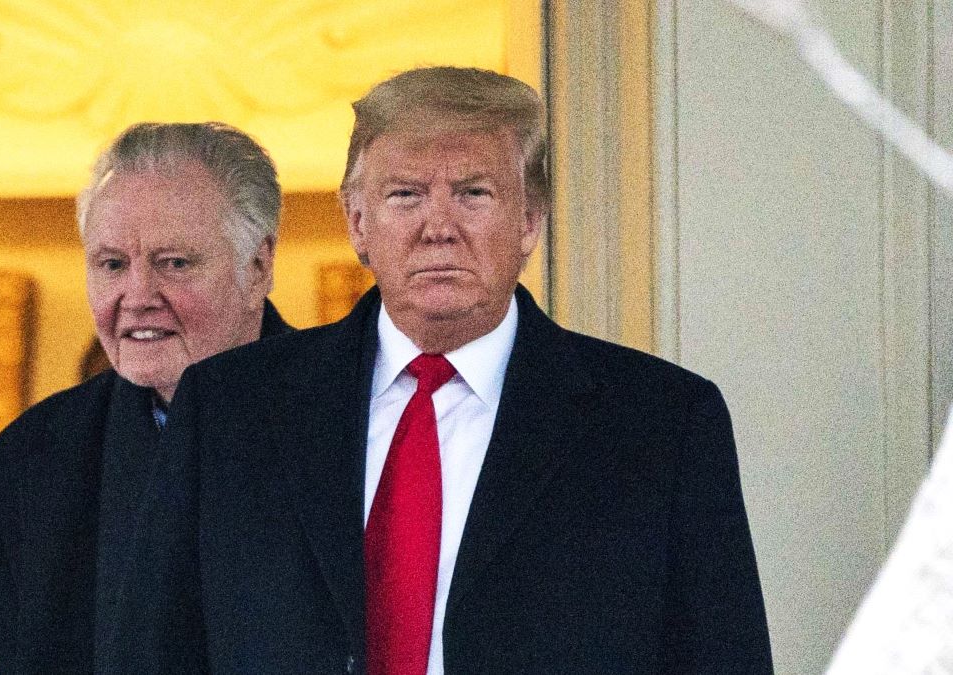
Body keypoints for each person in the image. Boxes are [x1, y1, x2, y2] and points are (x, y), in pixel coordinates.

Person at [99, 68, 772, 674]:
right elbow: (153, 655)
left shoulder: (661, 424)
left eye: (473, 193)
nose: (438, 226)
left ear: (530, 222)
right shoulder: (228, 409)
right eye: (406, 195)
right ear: (358, 223)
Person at [0, 122, 292, 673]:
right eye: (113, 264)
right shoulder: (26, 467)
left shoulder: (355, 423)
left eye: (175, 263)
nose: (138, 297)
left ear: (258, 265)